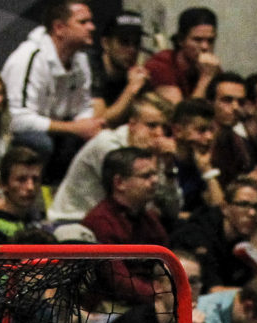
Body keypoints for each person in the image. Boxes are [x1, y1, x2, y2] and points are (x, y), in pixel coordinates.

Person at [0, 0, 100, 179]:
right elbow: (16, 119)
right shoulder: (29, 58)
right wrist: (74, 128)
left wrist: (88, 126)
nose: (92, 27)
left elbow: (83, 108)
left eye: (91, 21)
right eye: (83, 22)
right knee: (39, 142)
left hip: (58, 131)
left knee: (97, 140)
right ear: (59, 28)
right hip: (16, 136)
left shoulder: (81, 60)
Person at [47, 92, 171, 225]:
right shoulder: (107, 144)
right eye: (152, 125)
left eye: (164, 128)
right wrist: (154, 163)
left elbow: (169, 210)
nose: (159, 134)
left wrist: (169, 167)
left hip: (113, 222)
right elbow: (134, 199)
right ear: (132, 124)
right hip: (73, 220)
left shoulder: (152, 153)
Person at [81, 145, 169, 306]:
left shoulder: (150, 219)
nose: (155, 180)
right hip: (112, 307)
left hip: (151, 301)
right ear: (119, 182)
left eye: (155, 174)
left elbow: (166, 265)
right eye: (146, 176)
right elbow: (120, 282)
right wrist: (164, 296)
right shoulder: (100, 222)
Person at [169, 175, 257, 295]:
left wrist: (256, 244)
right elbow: (214, 291)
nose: (252, 213)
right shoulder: (197, 235)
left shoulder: (252, 236)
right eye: (243, 205)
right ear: (225, 208)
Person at [144, 6, 221, 104]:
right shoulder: (161, 65)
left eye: (210, 41)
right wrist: (206, 78)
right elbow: (180, 112)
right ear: (181, 40)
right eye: (197, 40)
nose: (205, 47)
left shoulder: (211, 68)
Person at [89, 9, 151, 128]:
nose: (132, 50)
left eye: (136, 43)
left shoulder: (135, 76)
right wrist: (131, 89)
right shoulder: (91, 67)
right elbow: (98, 122)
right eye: (124, 42)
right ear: (106, 43)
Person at [0, 145, 47, 240]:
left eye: (35, 180)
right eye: (21, 180)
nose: (30, 187)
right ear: (3, 184)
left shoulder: (37, 222)